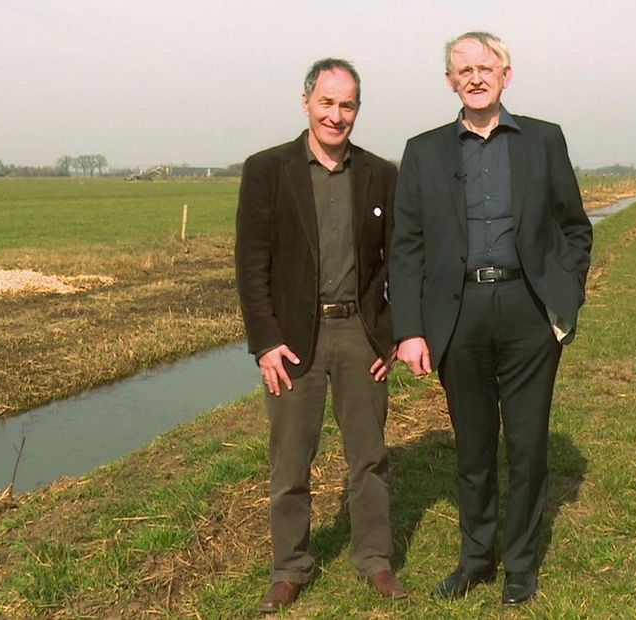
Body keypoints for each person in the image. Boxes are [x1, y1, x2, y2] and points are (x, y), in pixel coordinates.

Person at [389, 32, 593, 605]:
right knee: (474, 446)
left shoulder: (544, 140)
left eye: (486, 67)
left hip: (528, 311)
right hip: (457, 315)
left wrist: (567, 294)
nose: (476, 78)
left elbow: (574, 225)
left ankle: (520, 565)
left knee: (528, 446)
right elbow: (405, 247)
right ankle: (476, 557)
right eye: (464, 70)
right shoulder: (423, 150)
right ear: (450, 81)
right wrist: (409, 329)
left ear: (507, 75)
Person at [235, 58, 406, 612]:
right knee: (289, 462)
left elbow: (399, 262)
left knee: (370, 456)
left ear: (358, 108)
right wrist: (264, 342)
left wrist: (393, 336)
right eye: (328, 103)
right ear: (306, 102)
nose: (337, 115)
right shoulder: (267, 170)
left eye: (348, 104)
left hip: (360, 334)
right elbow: (251, 263)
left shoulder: (381, 173)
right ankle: (289, 567)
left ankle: (375, 560)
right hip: (292, 342)